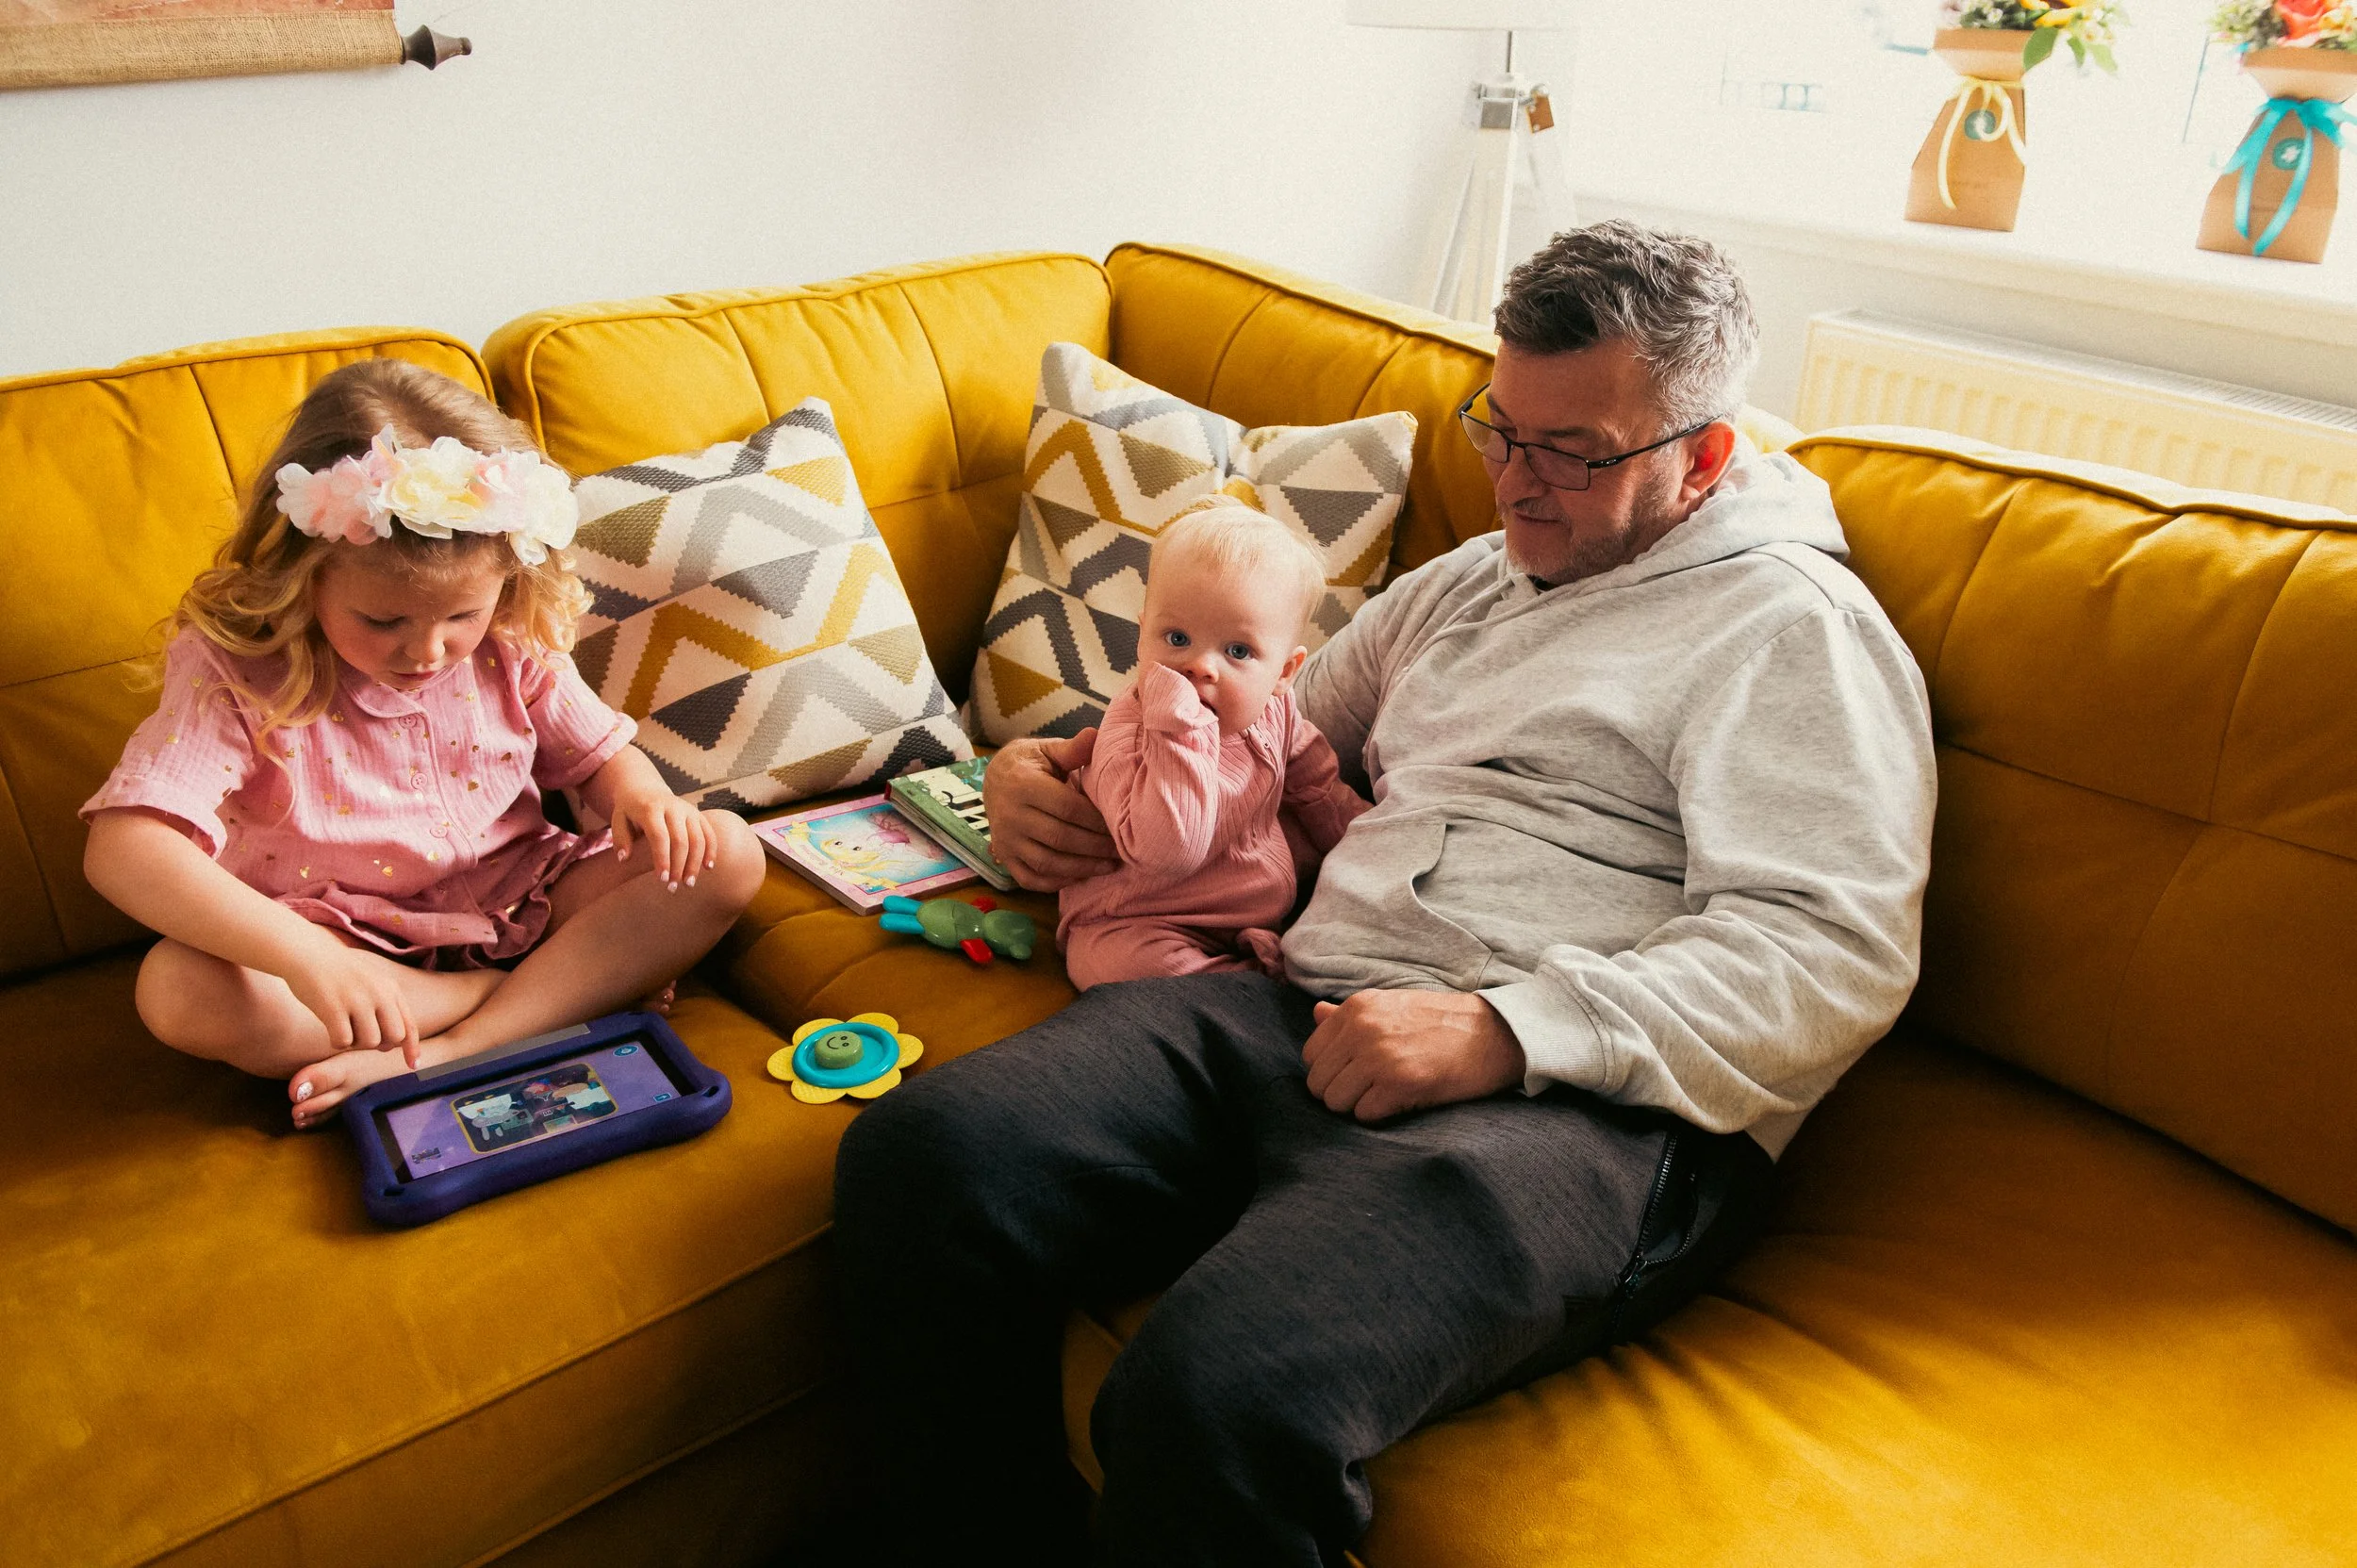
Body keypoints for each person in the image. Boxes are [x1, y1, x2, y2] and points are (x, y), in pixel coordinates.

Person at [832, 222, 1937, 1566]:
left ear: (1704, 455)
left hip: (1573, 1105)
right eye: (1498, 427)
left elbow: (1832, 951)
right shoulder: (1475, 579)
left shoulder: (1794, 632)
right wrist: (1040, 769)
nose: (1515, 486)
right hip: (1292, 1003)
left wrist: (1503, 1029)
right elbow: (1273, 732)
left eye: (1571, 451)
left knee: (1211, 1396)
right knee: (925, 1163)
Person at [80, 359, 766, 1129]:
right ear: (301, 576)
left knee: (727, 853)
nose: (431, 651)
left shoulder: (510, 636)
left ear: (504, 585)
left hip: (520, 901)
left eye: (460, 617)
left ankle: (458, 1046)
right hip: (341, 948)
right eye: (384, 622)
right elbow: (123, 848)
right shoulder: (239, 670)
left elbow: (600, 760)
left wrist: (639, 796)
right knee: (177, 990)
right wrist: (309, 960)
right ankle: (529, 997)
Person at [1060, 500, 1368, 989]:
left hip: (1255, 894)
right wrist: (1181, 729)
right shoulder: (1131, 736)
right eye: (1177, 637)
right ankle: (1248, 985)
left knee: (1328, 848)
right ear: (1142, 636)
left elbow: (1317, 786)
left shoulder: (1273, 709)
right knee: (1106, 966)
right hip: (1143, 915)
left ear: (1284, 673)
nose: (1200, 666)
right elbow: (1171, 851)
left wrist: (1368, 845)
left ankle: (1273, 951)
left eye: (1238, 651)